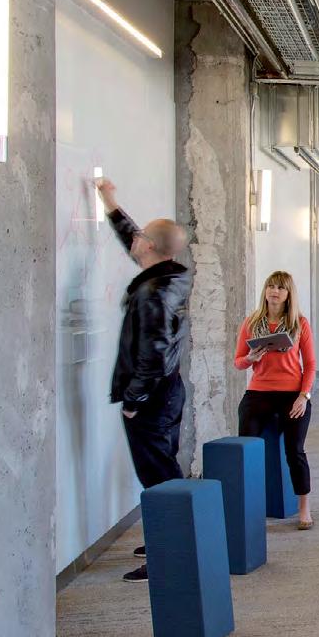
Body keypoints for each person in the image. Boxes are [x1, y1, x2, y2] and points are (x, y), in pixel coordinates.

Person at [95, 177, 193, 584]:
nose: (134, 240)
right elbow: (137, 238)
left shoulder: (153, 293)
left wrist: (133, 401)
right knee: (163, 470)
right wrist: (110, 202)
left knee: (159, 478)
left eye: (142, 238)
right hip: (167, 392)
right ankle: (168, 541)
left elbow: (153, 355)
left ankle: (170, 554)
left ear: (150, 247)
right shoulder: (169, 276)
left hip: (153, 397)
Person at [234, 271, 317, 530]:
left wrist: (303, 396)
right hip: (259, 392)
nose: (274, 291)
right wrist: (250, 358)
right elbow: (238, 362)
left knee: (295, 450)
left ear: (288, 294)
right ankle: (248, 507)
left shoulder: (299, 324)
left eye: (281, 288)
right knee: (246, 448)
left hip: (292, 393)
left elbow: (310, 364)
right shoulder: (251, 322)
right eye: (271, 286)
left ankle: (304, 507)